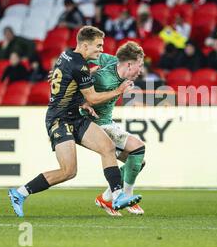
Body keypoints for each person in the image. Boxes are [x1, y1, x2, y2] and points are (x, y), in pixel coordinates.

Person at [8, 26, 142, 217]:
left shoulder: (67, 56)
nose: (101, 50)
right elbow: (93, 98)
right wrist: (119, 91)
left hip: (76, 116)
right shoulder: (79, 65)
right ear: (85, 45)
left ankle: (117, 196)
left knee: (108, 148)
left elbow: (68, 83)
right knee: (68, 171)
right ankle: (19, 193)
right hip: (59, 120)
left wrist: (80, 101)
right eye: (98, 46)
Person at [86, 41, 147, 216]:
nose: (140, 70)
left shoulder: (112, 60)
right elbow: (84, 91)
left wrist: (86, 69)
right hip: (96, 124)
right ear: (129, 64)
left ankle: (106, 198)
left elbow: (90, 59)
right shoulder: (104, 79)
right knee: (138, 148)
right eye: (139, 65)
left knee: (137, 162)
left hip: (108, 122)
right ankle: (127, 197)